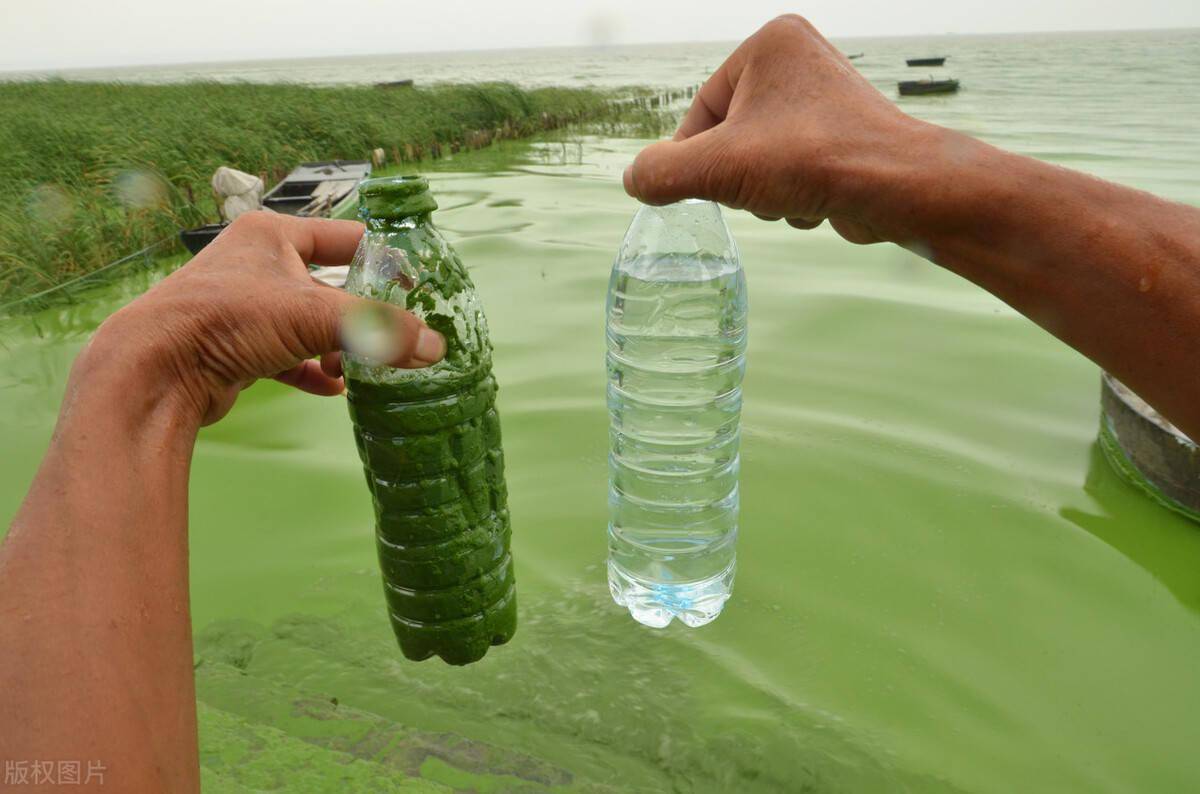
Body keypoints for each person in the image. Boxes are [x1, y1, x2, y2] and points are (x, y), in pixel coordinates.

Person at [2, 14, 1198, 791]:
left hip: (666, 547)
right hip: (651, 548)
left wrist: (136, 371)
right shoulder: (403, 290)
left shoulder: (639, 257)